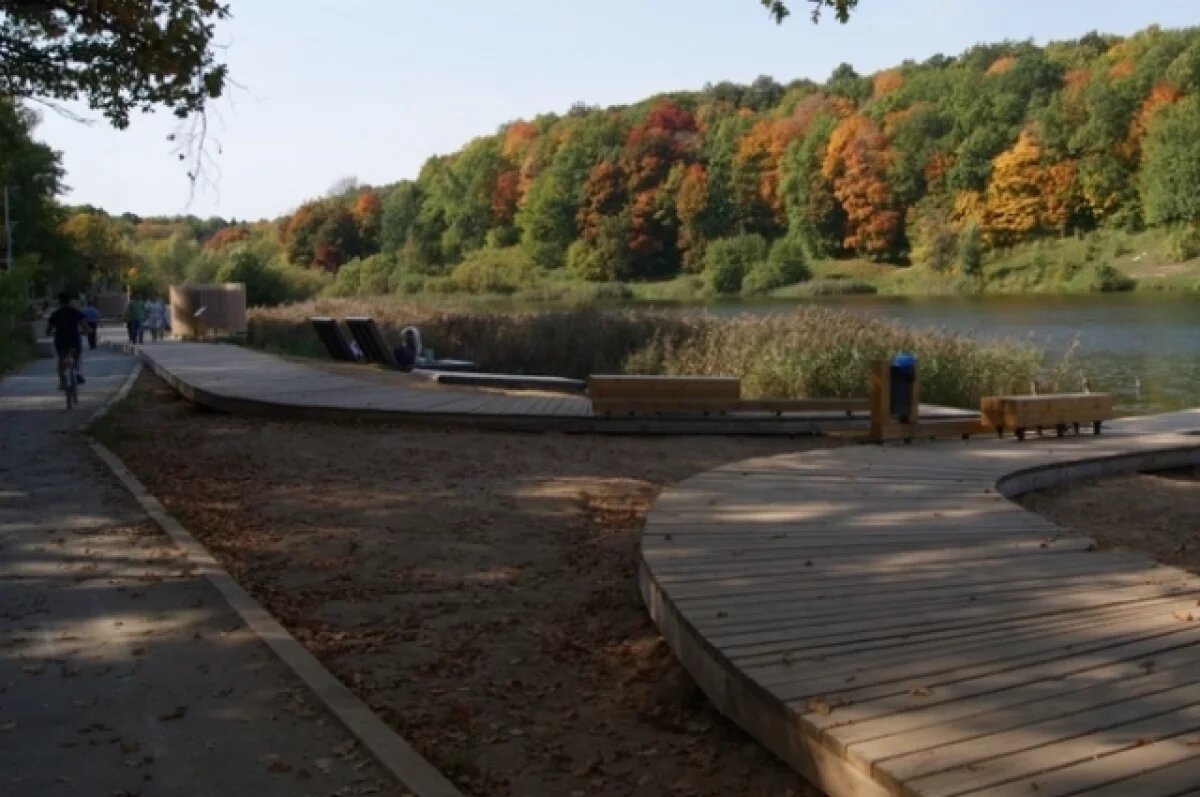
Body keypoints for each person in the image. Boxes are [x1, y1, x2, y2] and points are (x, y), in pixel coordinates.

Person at [46, 292, 89, 389]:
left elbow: (48, 329)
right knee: (77, 356)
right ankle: (77, 373)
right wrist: (88, 331)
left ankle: (62, 381)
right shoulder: (75, 312)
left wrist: (49, 333)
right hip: (74, 339)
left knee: (61, 358)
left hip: (61, 339)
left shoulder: (56, 314)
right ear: (70, 301)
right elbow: (84, 325)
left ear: (59, 301)